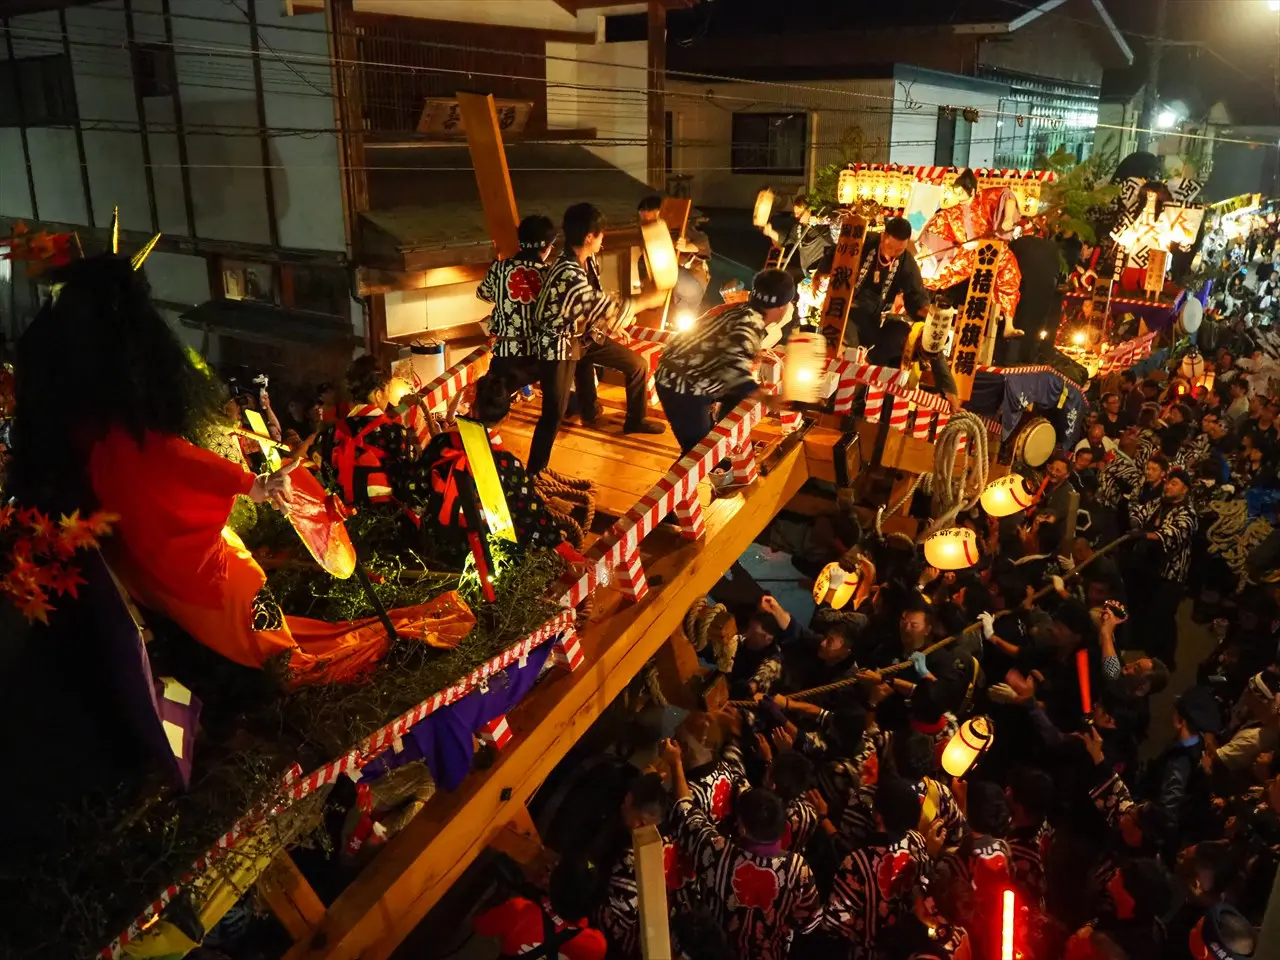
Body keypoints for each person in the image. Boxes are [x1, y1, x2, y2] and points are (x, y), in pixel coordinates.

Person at [7, 255, 414, 686]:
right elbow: (180, 461)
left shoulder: (78, 430)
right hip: (172, 558)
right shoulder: (128, 436)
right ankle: (273, 659)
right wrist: (250, 484)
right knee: (241, 582)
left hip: (121, 555)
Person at [532, 203, 665, 473]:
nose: (603, 238)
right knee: (553, 414)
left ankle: (635, 420)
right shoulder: (566, 272)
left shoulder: (586, 261)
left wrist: (611, 324)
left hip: (586, 336)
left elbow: (593, 306)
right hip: (559, 345)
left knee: (637, 365)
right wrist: (651, 298)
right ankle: (534, 472)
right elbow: (596, 302)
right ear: (589, 237)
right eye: (601, 234)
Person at [662, 738, 823, 960]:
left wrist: (676, 764)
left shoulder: (720, 855)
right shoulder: (799, 868)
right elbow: (809, 924)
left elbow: (686, 812)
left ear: (744, 829)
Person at [655, 268, 794, 455]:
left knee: (738, 397)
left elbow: (727, 351)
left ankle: (723, 440)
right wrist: (767, 399)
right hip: (680, 384)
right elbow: (735, 370)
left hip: (687, 372)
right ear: (781, 308)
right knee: (698, 453)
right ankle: (710, 454)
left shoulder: (740, 310)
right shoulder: (750, 325)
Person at [1128, 466, 1198, 669]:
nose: (1167, 486)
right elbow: (1140, 511)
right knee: (1145, 610)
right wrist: (1135, 523)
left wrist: (1145, 535)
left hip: (1170, 574)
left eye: (1174, 483)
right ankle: (1144, 646)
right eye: (1167, 482)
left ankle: (1165, 660)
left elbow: (1173, 533)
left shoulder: (1188, 512)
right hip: (1149, 569)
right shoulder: (1159, 502)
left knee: (1163, 617)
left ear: (1184, 489)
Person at [472, 857, 608, 960]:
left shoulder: (519, 910)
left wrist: (501, 893)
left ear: (552, 882)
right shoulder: (596, 945)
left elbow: (479, 923)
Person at [845, 217, 931, 350]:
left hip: (875, 314)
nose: (893, 253)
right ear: (883, 236)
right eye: (889, 247)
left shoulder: (906, 262)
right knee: (849, 341)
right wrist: (821, 272)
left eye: (899, 250)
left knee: (897, 334)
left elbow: (915, 294)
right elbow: (839, 255)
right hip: (848, 307)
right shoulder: (865, 241)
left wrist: (924, 309)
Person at [637, 195, 710, 316]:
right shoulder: (646, 237)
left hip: (690, 281)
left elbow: (704, 244)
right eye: (644, 221)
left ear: (659, 214)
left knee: (669, 276)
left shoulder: (681, 228)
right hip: (668, 296)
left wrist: (686, 246)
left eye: (650, 220)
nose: (647, 225)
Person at [762, 194, 834, 281]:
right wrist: (770, 232)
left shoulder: (824, 226)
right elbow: (786, 240)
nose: (797, 216)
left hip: (825, 272)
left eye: (800, 213)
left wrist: (818, 221)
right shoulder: (797, 228)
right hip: (807, 273)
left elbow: (834, 222)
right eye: (795, 213)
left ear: (809, 210)